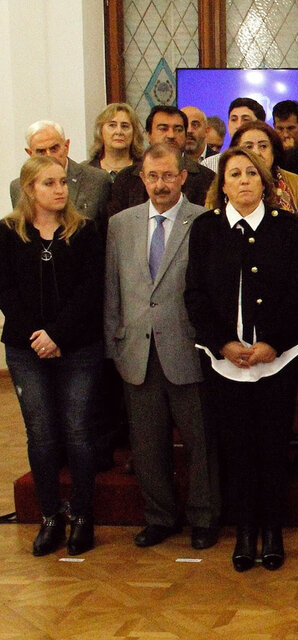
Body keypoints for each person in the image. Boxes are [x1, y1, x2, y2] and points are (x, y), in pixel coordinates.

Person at [184, 147, 298, 572]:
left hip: (278, 358)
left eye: (251, 173)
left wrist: (273, 341)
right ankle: (244, 532)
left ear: (265, 181)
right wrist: (222, 344)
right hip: (224, 361)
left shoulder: (286, 228)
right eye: (234, 174)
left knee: (272, 447)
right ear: (223, 183)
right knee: (235, 448)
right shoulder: (205, 229)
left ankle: (272, 532)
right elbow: (195, 295)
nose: (243, 180)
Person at [103, 143, 219, 551]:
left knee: (200, 442)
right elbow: (112, 291)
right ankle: (160, 517)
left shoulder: (205, 221)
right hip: (136, 351)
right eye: (152, 176)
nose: (160, 184)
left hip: (188, 349)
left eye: (168, 175)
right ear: (142, 178)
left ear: (183, 176)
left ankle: (204, 517)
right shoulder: (120, 224)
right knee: (147, 444)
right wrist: (113, 345)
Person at [0, 155, 105, 556]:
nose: (60, 189)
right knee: (41, 435)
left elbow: (90, 290)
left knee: (78, 433)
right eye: (49, 183)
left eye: (62, 181)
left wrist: (57, 334)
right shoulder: (9, 233)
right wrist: (38, 336)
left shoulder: (84, 231)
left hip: (78, 346)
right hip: (27, 348)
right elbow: (6, 291)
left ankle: (82, 514)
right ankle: (49, 516)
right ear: (29, 189)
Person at [107, 106, 215, 217]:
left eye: (178, 129)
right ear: (148, 135)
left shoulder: (207, 178)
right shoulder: (126, 178)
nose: (171, 135)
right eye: (163, 129)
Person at [10, 120, 112, 226]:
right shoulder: (19, 186)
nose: (48, 155)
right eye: (41, 151)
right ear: (30, 153)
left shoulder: (97, 180)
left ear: (66, 147)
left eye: (54, 148)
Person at [230, 120, 298, 232]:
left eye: (263, 146)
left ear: (273, 151)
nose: (257, 152)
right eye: (249, 147)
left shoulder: (296, 183)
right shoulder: (226, 182)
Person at [201, 97, 267, 173]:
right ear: (228, 124)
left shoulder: (267, 162)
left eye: (245, 120)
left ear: (261, 125)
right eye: (234, 119)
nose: (238, 125)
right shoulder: (209, 165)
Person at [87, 103, 144, 176]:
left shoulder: (145, 170)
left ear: (134, 132)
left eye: (125, 126)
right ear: (100, 131)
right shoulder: (85, 172)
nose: (119, 132)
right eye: (112, 125)